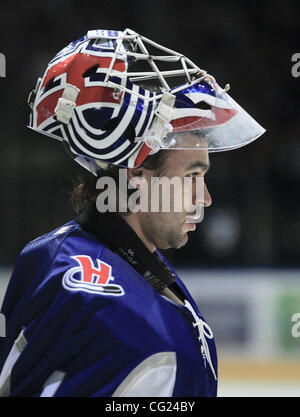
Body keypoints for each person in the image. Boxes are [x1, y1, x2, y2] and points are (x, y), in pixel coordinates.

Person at [0, 28, 265, 397]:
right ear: (139, 177)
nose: (204, 198)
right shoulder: (136, 333)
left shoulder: (50, 253)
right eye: (191, 175)